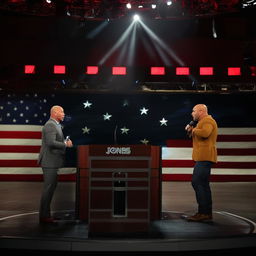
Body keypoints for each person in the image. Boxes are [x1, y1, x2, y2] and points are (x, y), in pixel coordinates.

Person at [38, 105, 73, 224]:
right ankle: (44, 216)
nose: (64, 114)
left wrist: (64, 141)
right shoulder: (50, 125)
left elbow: (54, 141)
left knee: (50, 189)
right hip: (49, 162)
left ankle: (47, 215)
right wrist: (65, 145)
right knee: (48, 189)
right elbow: (50, 143)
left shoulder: (56, 125)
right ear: (54, 113)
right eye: (62, 112)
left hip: (53, 162)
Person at [184, 104, 218, 222]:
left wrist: (193, 129)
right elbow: (197, 135)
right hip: (203, 157)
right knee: (203, 184)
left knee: (197, 182)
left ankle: (204, 212)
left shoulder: (207, 120)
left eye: (193, 111)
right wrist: (191, 130)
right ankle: (205, 213)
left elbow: (205, 133)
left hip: (205, 157)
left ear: (201, 111)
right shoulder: (201, 122)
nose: (192, 113)